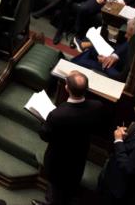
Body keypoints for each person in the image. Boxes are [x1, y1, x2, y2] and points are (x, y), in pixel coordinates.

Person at [35, 71, 104, 205]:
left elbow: (45, 135)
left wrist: (44, 123)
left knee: (55, 189)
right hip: (79, 155)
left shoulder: (57, 115)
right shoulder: (97, 106)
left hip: (58, 160)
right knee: (71, 185)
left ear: (66, 88)